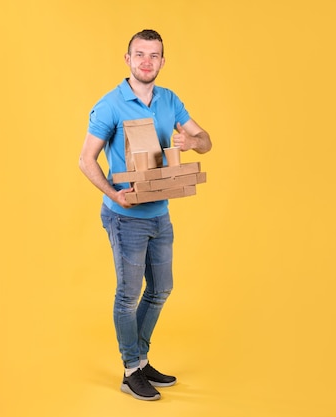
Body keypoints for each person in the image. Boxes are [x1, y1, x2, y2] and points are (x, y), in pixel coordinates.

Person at [79, 29, 212, 401]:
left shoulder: (170, 101)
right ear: (127, 59)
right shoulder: (109, 105)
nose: (146, 62)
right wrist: (114, 195)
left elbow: (206, 141)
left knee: (161, 289)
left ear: (162, 62)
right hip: (125, 218)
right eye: (139, 54)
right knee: (128, 295)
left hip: (161, 214)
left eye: (154, 55)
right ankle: (130, 368)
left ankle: (140, 359)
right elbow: (85, 159)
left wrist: (192, 141)